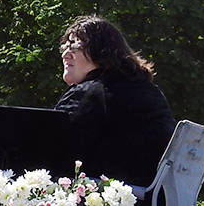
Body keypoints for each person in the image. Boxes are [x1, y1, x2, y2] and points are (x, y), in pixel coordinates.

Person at [53, 15, 176, 191]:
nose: (65, 54)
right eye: (65, 47)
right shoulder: (149, 91)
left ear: (101, 51)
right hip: (155, 205)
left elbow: (53, 152)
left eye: (75, 46)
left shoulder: (92, 93)